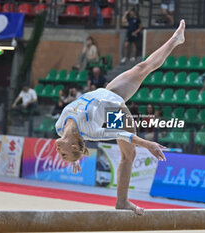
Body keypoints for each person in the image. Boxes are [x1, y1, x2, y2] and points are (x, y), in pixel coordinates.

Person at [55, 19, 185, 215]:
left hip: (108, 92)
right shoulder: (91, 131)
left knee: (143, 67)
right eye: (63, 154)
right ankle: (122, 201)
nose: (58, 151)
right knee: (128, 154)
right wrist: (148, 144)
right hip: (115, 109)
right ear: (74, 146)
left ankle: (176, 39)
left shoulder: (59, 127)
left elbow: (72, 144)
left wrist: (74, 158)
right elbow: (124, 135)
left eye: (62, 155)